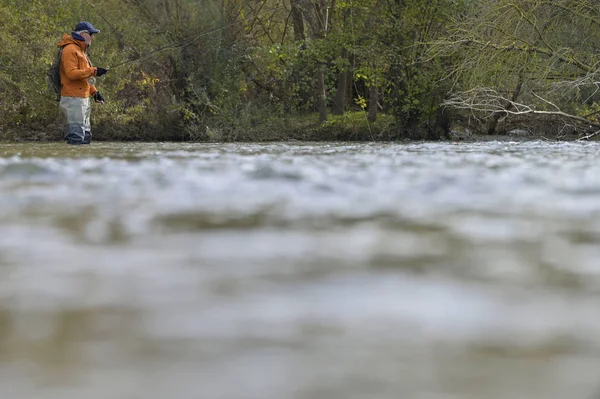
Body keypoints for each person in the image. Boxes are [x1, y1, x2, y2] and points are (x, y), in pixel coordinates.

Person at [56, 21, 109, 145]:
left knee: (85, 137)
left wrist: (94, 92)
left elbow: (84, 77)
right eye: (91, 34)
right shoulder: (70, 50)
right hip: (73, 99)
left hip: (82, 99)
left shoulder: (81, 51)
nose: (93, 37)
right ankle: (72, 162)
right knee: (76, 137)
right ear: (84, 34)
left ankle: (82, 163)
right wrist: (94, 70)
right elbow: (71, 74)